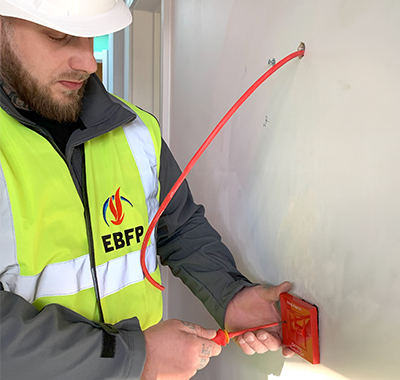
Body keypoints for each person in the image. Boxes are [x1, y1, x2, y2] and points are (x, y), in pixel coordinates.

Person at [0, 1, 294, 379]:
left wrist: (230, 295)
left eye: (93, 38)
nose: (88, 62)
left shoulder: (135, 129)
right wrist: (134, 356)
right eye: (60, 36)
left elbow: (179, 228)